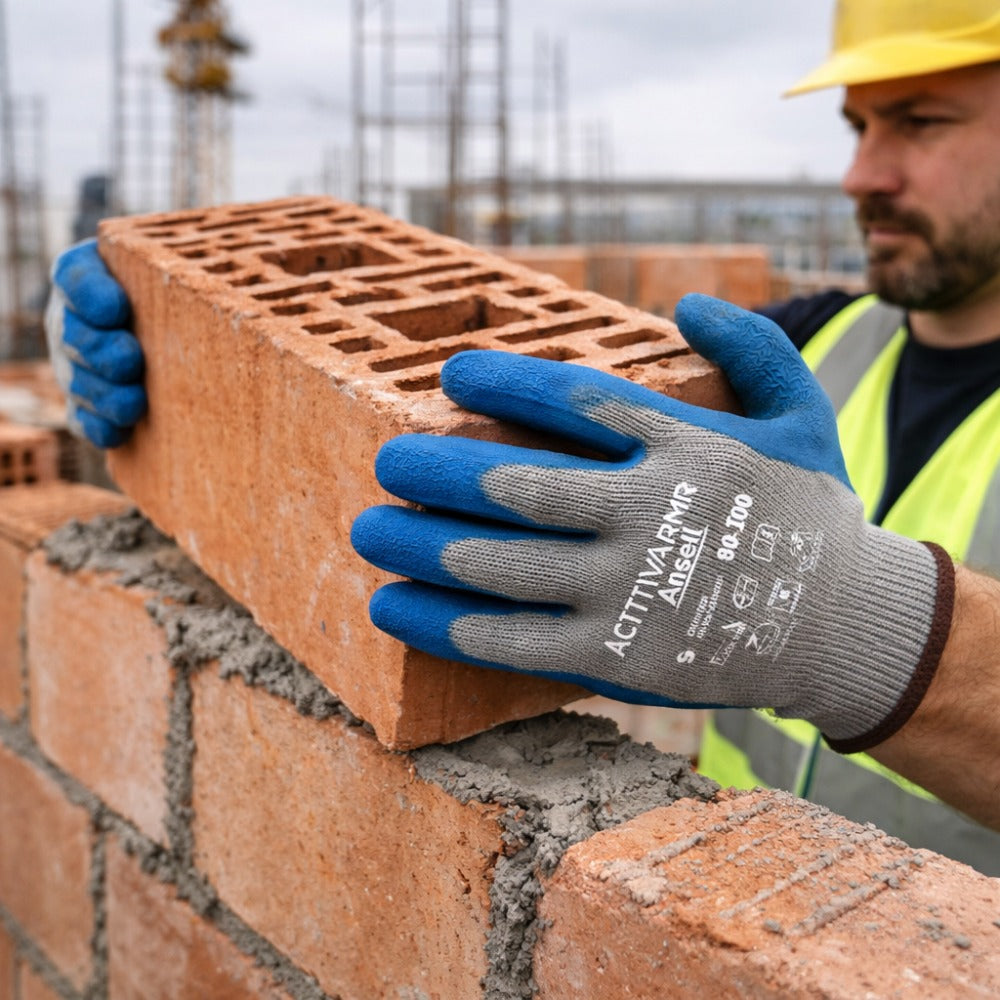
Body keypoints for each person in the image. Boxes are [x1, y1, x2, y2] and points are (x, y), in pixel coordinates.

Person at [47, 0, 1000, 874]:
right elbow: (510, 365)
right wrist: (157, 318)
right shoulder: (806, 350)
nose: (863, 175)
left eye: (922, 121)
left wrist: (856, 625)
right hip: (736, 904)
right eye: (858, 126)